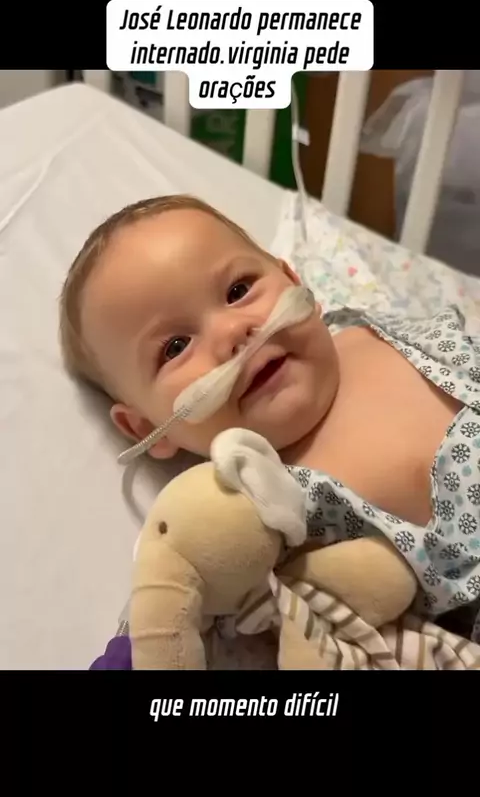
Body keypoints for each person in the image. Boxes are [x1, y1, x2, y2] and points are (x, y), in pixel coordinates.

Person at [59, 195, 480, 665]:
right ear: (147, 427)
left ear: (294, 281)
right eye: (176, 346)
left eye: (238, 290)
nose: (232, 333)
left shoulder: (367, 329)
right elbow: (182, 603)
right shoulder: (260, 504)